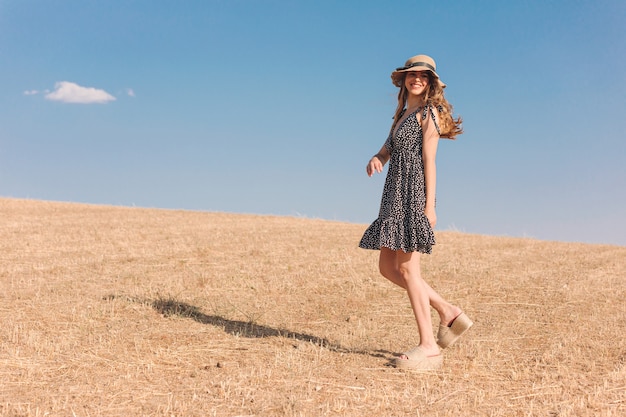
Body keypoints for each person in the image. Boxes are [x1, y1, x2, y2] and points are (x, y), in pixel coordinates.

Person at [359, 54, 471, 370]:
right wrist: (378, 158)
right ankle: (448, 311)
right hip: (392, 195)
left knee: (409, 270)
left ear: (431, 82)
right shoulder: (401, 115)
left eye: (423, 75)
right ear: (405, 80)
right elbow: (387, 148)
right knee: (387, 267)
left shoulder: (429, 114)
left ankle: (429, 346)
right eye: (412, 74)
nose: (417, 79)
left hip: (412, 194)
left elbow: (430, 161)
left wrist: (429, 206)